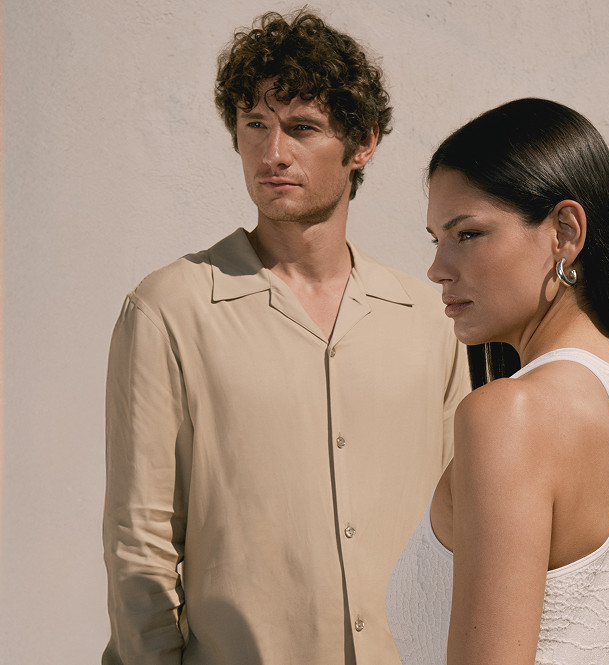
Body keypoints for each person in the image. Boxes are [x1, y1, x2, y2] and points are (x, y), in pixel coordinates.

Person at [102, 10, 468, 665]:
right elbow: (141, 541)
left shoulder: (429, 319)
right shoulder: (170, 309)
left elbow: (461, 527)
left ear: (362, 143)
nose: (272, 153)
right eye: (254, 125)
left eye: (301, 127)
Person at [384, 98, 609, 665]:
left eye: (467, 234)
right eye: (436, 239)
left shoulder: (507, 415)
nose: (437, 268)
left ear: (565, 231)